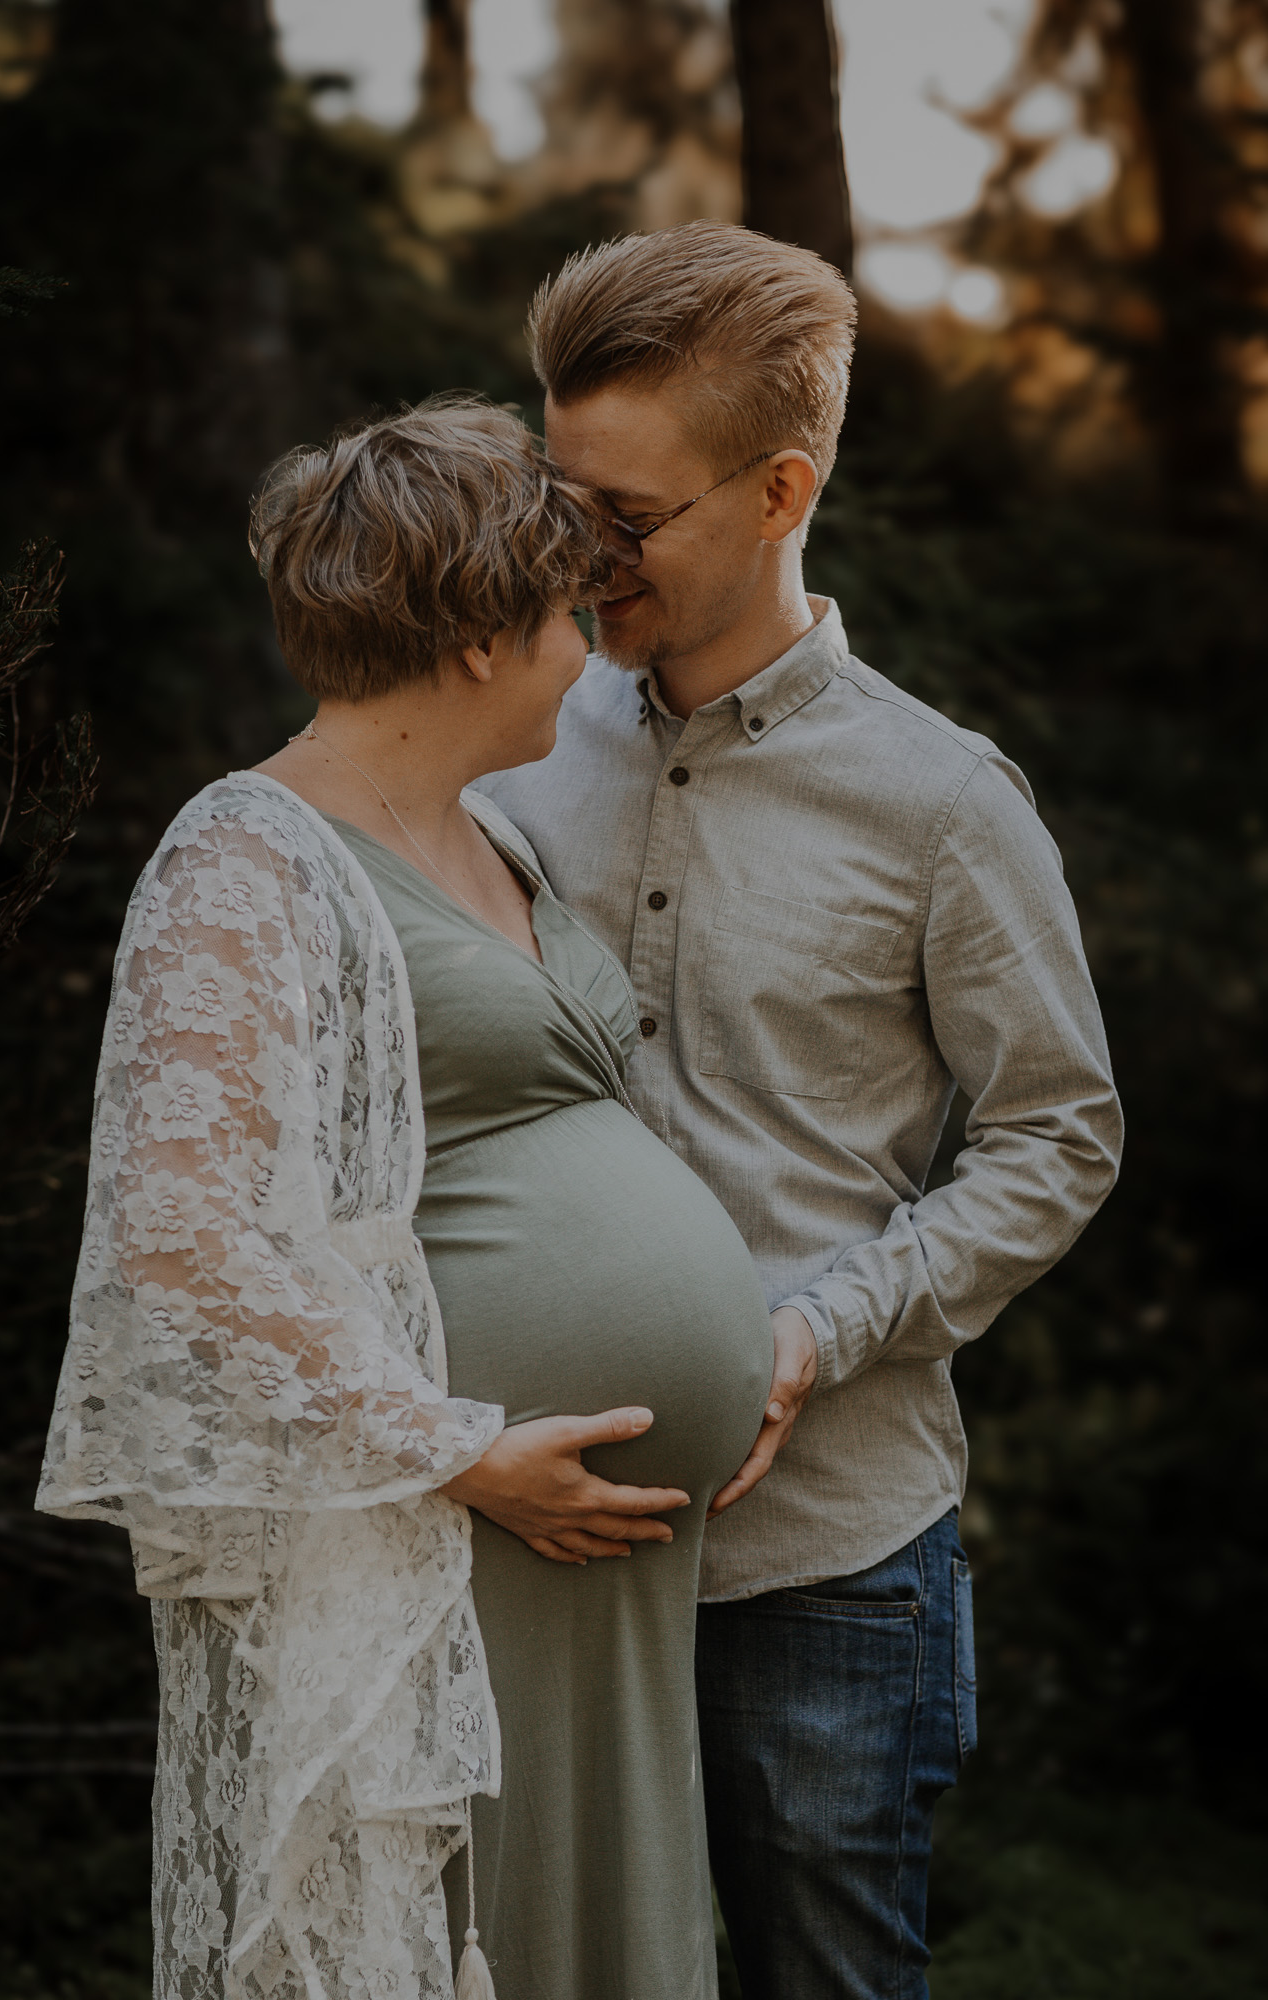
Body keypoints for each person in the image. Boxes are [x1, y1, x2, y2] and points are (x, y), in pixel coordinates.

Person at [36, 398, 774, 2000]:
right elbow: (180, 1237)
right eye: (565, 615)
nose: (589, 650)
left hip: (587, 1552)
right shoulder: (243, 863)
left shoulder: (489, 835)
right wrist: (455, 1451)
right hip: (447, 1533)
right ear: (473, 639)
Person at [478, 222, 1125, 2000]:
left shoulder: (939, 803)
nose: (573, 553)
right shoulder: (507, 735)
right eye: (560, 496)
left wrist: (813, 1331)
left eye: (627, 519)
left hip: (824, 1564)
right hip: (532, 1529)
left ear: (777, 491)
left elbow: (1059, 1133)